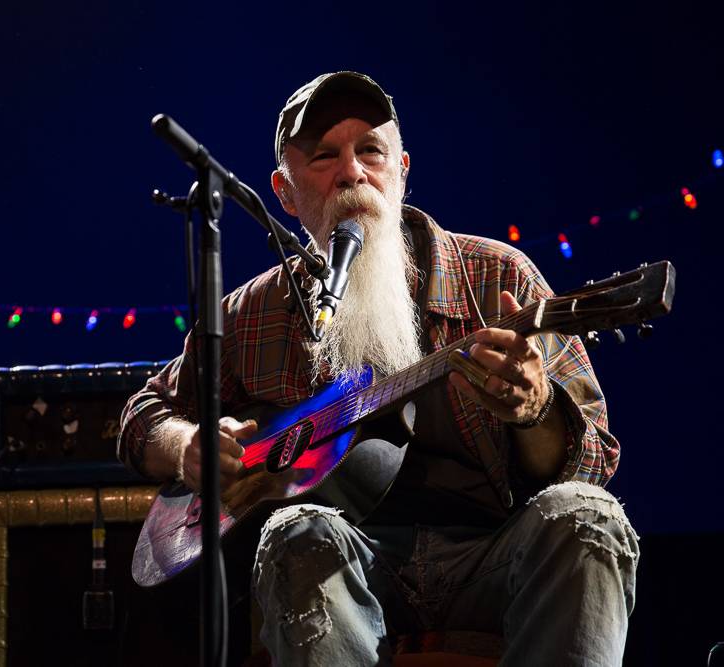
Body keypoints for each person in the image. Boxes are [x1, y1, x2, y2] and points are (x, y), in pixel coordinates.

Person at [118, 71, 637, 666]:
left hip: (493, 559)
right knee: (296, 530)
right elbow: (142, 414)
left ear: (402, 170)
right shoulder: (254, 312)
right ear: (284, 193)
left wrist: (535, 411)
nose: (352, 173)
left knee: (589, 517)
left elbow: (592, 461)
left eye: (370, 150)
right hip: (344, 566)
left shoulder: (499, 277)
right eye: (324, 157)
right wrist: (187, 445)